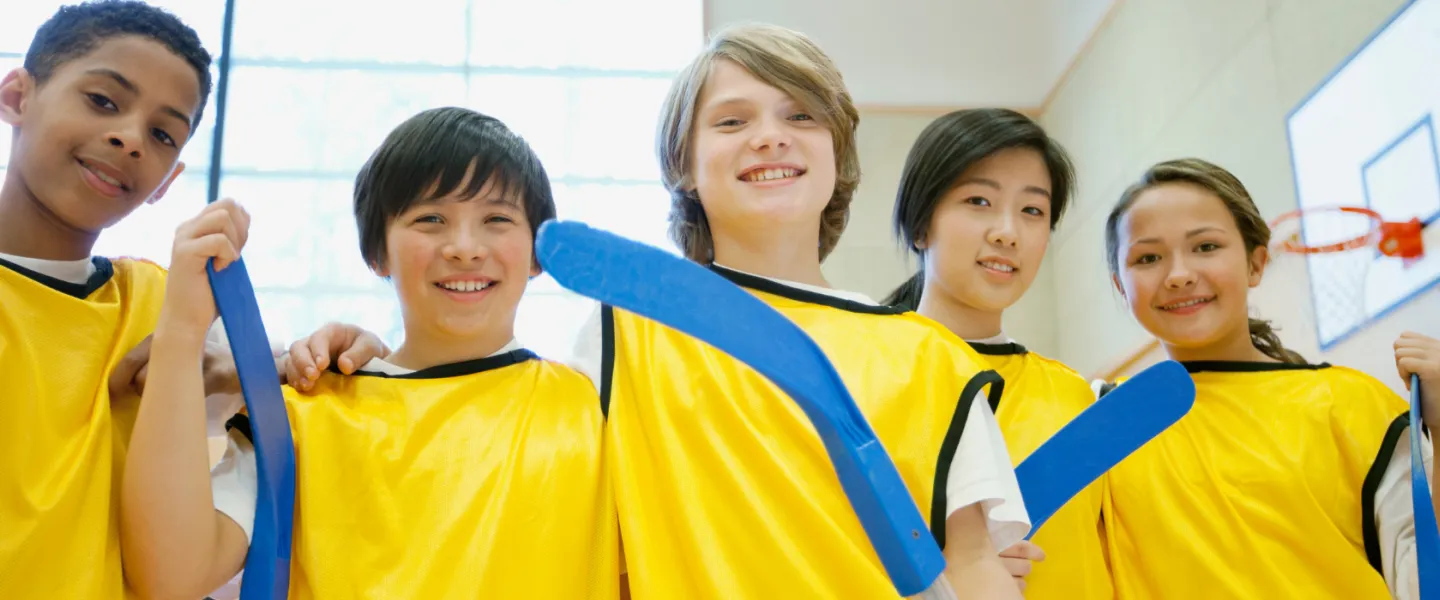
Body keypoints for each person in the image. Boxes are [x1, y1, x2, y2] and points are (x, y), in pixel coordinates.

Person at [288, 23, 1029, 600]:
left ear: (838, 149)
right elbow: (487, 452)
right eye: (732, 121)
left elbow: (971, 561)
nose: (770, 135)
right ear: (682, 161)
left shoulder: (929, 357)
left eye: (800, 114)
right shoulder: (627, 333)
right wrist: (366, 360)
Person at [119, 108, 619, 599]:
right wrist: (183, 332)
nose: (465, 247)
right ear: (376, 252)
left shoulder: (596, 411)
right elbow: (172, 578)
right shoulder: (301, 415)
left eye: (496, 218)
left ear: (537, 252)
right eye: (431, 218)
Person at [1098, 157, 1437, 598]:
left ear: (1256, 263)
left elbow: (1424, 576)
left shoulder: (1355, 403)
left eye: (1205, 247)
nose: (1179, 275)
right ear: (1121, 287)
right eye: (1148, 257)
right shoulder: (1100, 422)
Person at [0, 2, 217, 597]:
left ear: (167, 182)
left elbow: (290, 386)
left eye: (162, 133)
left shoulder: (166, 304)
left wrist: (342, 351)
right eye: (103, 101)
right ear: (18, 98)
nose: (128, 138)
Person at [883, 108, 1109, 598]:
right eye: (978, 200)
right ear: (921, 225)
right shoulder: (868, 374)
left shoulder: (1075, 398)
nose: (1007, 232)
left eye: (1032, 211)